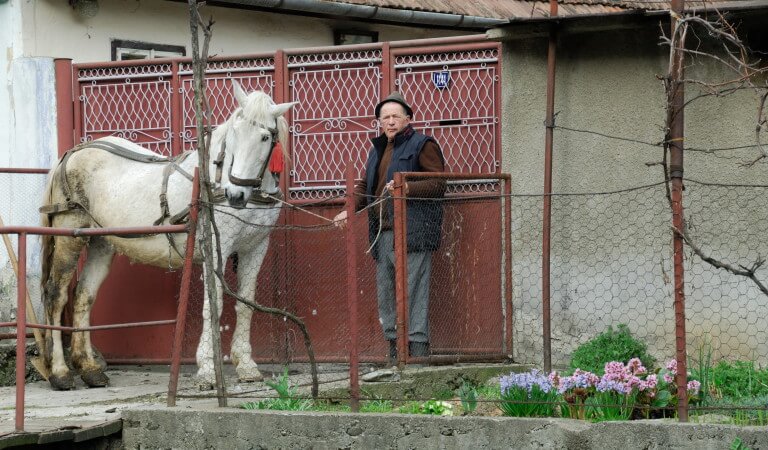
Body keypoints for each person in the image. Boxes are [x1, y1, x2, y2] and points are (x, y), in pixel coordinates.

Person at [334, 91, 445, 366]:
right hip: (382, 234)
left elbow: (439, 183)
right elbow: (365, 187)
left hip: (413, 233)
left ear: (408, 118)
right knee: (387, 294)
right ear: (379, 122)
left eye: (396, 116)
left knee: (413, 291)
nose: (391, 121)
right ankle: (395, 352)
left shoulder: (423, 145)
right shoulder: (378, 150)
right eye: (386, 117)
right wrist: (349, 210)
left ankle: (417, 352)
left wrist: (406, 187)